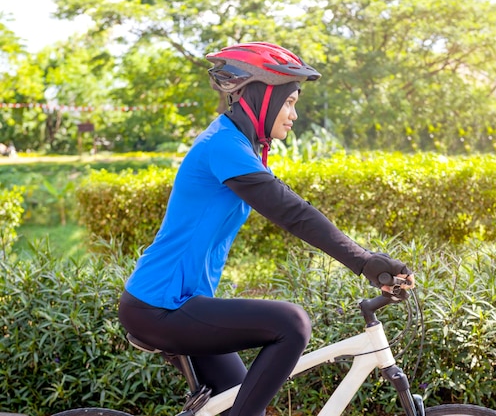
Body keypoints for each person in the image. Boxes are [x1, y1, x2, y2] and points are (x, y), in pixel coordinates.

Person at [118, 42, 414, 416]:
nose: (293, 114)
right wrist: (365, 261)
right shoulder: (222, 146)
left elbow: (292, 205)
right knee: (291, 323)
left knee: (241, 402)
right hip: (159, 306)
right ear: (260, 97)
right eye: (289, 102)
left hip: (181, 303)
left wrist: (368, 260)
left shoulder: (238, 145)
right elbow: (292, 212)